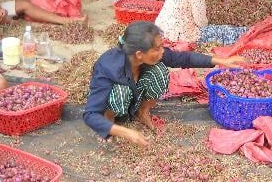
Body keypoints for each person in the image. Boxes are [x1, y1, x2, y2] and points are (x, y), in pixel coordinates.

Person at [83, 21, 246, 146]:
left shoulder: (148, 56)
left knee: (160, 72)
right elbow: (90, 115)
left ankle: (142, 112)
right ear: (139, 54)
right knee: (121, 91)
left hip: (135, 94)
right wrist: (126, 133)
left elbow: (182, 58)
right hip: (117, 98)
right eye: (158, 48)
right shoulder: (108, 68)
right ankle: (110, 120)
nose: (163, 52)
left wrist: (222, 61)